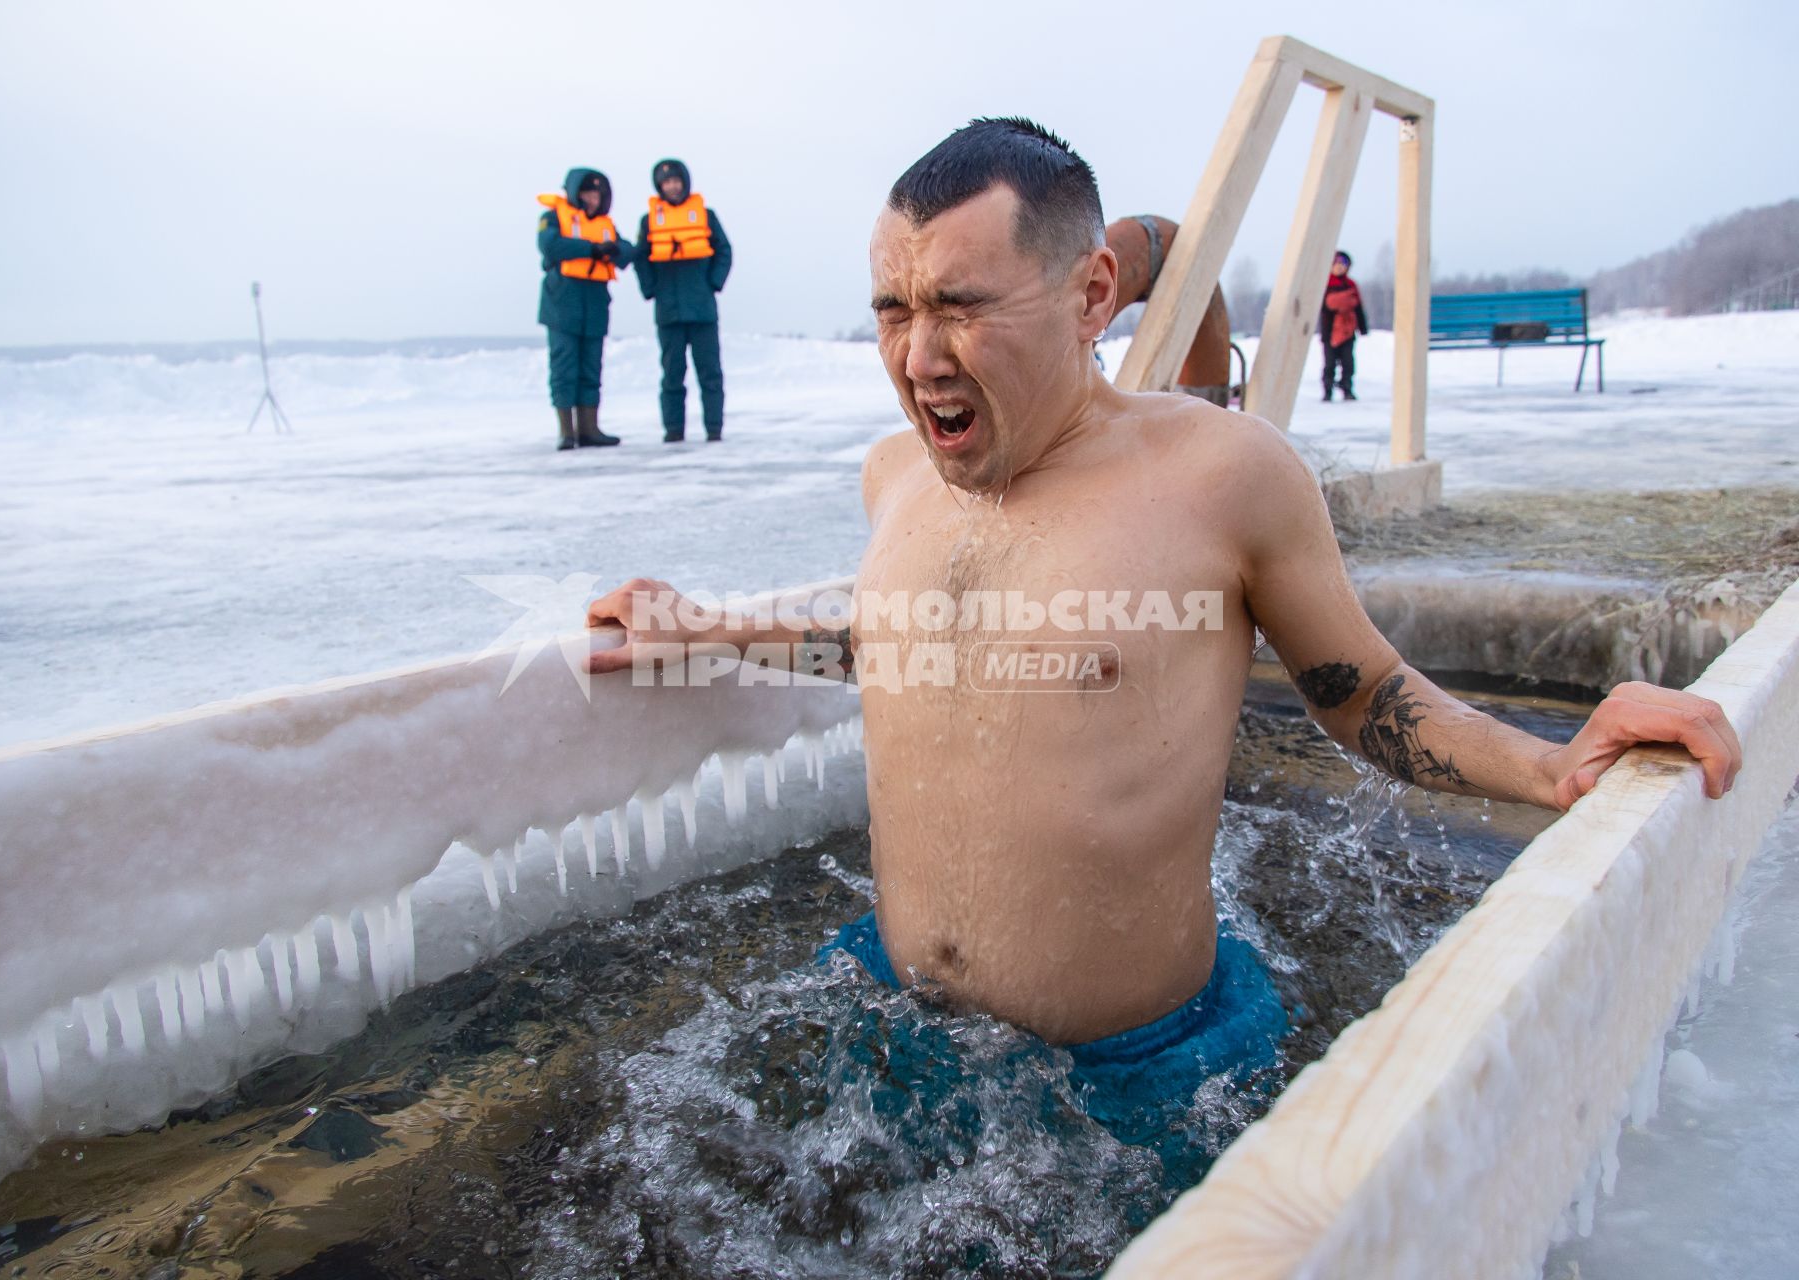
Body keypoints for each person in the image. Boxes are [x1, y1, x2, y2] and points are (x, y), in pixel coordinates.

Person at [582, 119, 1743, 1142]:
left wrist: (1552, 760)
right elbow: (897, 646)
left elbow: (1362, 696)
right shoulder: (898, 476)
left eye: (962, 307)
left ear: (1093, 297)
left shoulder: (1218, 475)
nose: (917, 356)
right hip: (895, 1008)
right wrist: (711, 626)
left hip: (1141, 1078)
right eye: (893, 307)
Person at [635, 159, 733, 442]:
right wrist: (650, 288)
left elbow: (724, 250)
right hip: (668, 310)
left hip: (702, 308)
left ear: (685, 182)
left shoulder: (706, 216)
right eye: (666, 182)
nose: (672, 186)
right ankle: (673, 431)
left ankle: (714, 429)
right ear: (660, 187)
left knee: (710, 373)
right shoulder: (649, 221)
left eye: (676, 181)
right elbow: (641, 257)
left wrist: (714, 282)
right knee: (671, 375)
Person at [538, 168, 631, 450]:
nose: (592, 199)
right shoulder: (552, 217)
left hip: (594, 303)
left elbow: (628, 251)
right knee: (564, 366)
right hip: (563, 303)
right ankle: (566, 431)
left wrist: (614, 249)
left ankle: (589, 429)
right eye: (587, 193)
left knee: (591, 367)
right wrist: (591, 250)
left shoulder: (606, 226)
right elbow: (549, 245)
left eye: (597, 194)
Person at [1320, 250, 1369, 401]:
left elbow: (1358, 307)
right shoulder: (1325, 284)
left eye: (1343, 264)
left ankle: (1347, 388)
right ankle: (1328, 390)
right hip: (1330, 332)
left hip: (1348, 331)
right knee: (1330, 364)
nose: (1339, 267)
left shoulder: (1351, 285)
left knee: (1348, 363)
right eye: (1336, 264)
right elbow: (1323, 306)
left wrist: (1362, 327)